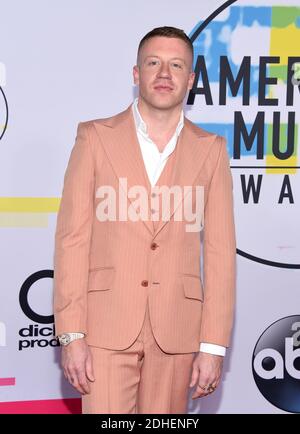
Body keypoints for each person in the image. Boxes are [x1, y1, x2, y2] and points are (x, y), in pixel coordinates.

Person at [53, 26, 236, 414]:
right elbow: (72, 240)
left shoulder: (212, 151)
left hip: (178, 330)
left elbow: (221, 255)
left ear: (190, 79)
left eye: (176, 65)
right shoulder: (94, 137)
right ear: (136, 74)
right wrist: (71, 334)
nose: (164, 74)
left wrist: (213, 346)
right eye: (154, 63)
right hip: (104, 330)